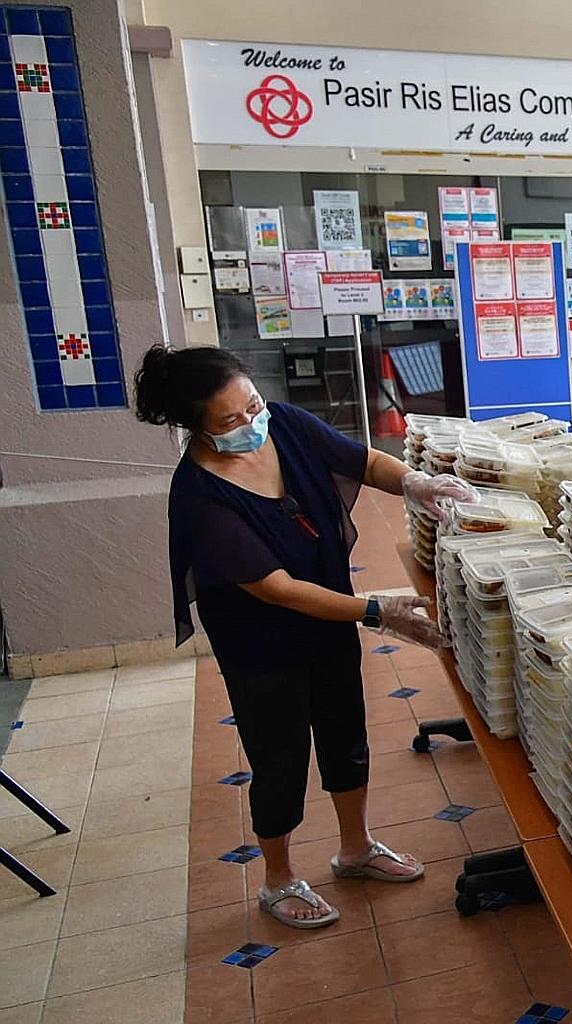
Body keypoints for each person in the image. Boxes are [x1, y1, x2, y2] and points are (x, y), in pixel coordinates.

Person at [134, 345, 474, 929]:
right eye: (229, 421)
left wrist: (413, 481)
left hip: (330, 621)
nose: (250, 423)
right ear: (197, 428)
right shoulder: (199, 495)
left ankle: (355, 848)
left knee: (346, 731)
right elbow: (277, 588)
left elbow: (365, 462)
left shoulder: (285, 424)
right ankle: (277, 877)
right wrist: (377, 610)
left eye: (252, 405)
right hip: (261, 644)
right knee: (278, 756)